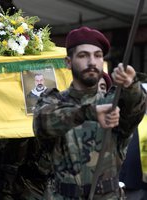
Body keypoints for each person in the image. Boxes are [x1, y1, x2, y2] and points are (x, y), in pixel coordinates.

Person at [33, 26, 147, 199]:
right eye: (83, 55)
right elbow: (43, 122)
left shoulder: (113, 101)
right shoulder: (53, 102)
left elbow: (136, 109)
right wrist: (89, 113)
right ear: (68, 62)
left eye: (98, 55)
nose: (92, 62)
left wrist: (132, 86)